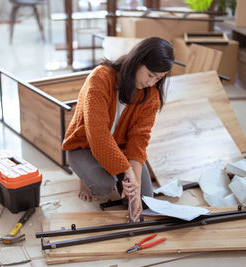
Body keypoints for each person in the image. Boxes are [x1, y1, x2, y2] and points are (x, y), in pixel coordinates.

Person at [62, 37, 174, 222]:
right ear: (138, 61)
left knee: (144, 202)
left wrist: (135, 187)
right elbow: (97, 135)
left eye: (159, 78)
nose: (151, 83)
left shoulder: (151, 96)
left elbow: (138, 141)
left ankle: (110, 171)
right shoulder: (101, 78)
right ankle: (85, 176)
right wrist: (126, 171)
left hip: (119, 150)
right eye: (150, 74)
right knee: (103, 187)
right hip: (84, 146)